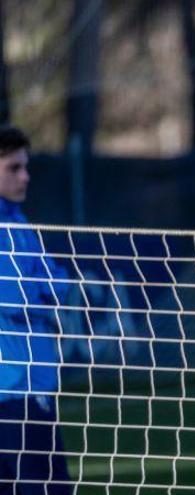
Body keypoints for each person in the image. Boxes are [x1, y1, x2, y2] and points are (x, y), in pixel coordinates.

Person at [0, 126, 72, 494]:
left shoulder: (19, 222)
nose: (25, 176)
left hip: (31, 384)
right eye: (13, 168)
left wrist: (39, 292)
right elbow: (15, 298)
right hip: (15, 389)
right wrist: (40, 293)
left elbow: (59, 283)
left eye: (25, 167)